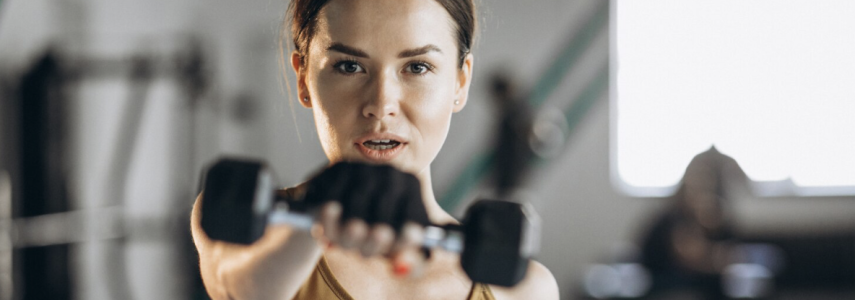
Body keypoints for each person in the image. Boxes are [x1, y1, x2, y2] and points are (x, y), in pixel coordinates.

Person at [190, 0, 559, 299]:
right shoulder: (247, 228)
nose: (381, 104)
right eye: (349, 66)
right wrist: (320, 210)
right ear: (303, 78)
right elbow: (240, 290)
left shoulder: (523, 291)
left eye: (417, 67)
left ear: (460, 83)